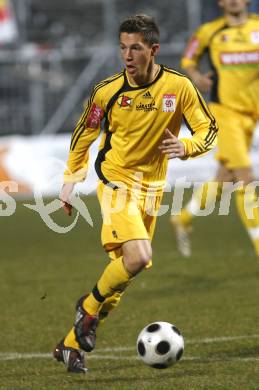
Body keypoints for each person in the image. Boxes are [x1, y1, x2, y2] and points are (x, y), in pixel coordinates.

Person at [53, 14, 218, 373]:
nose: (127, 55)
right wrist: (70, 178)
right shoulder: (107, 91)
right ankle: (88, 308)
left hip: (152, 190)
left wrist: (187, 147)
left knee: (124, 274)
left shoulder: (178, 87)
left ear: (153, 50)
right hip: (115, 180)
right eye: (123, 47)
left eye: (136, 48)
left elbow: (208, 128)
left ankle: (69, 344)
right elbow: (85, 133)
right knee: (140, 256)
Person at [171, 0, 259, 258]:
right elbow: (188, 59)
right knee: (246, 179)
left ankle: (183, 218)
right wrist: (196, 77)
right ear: (220, 2)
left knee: (226, 177)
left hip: (251, 114)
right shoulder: (209, 31)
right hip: (225, 113)